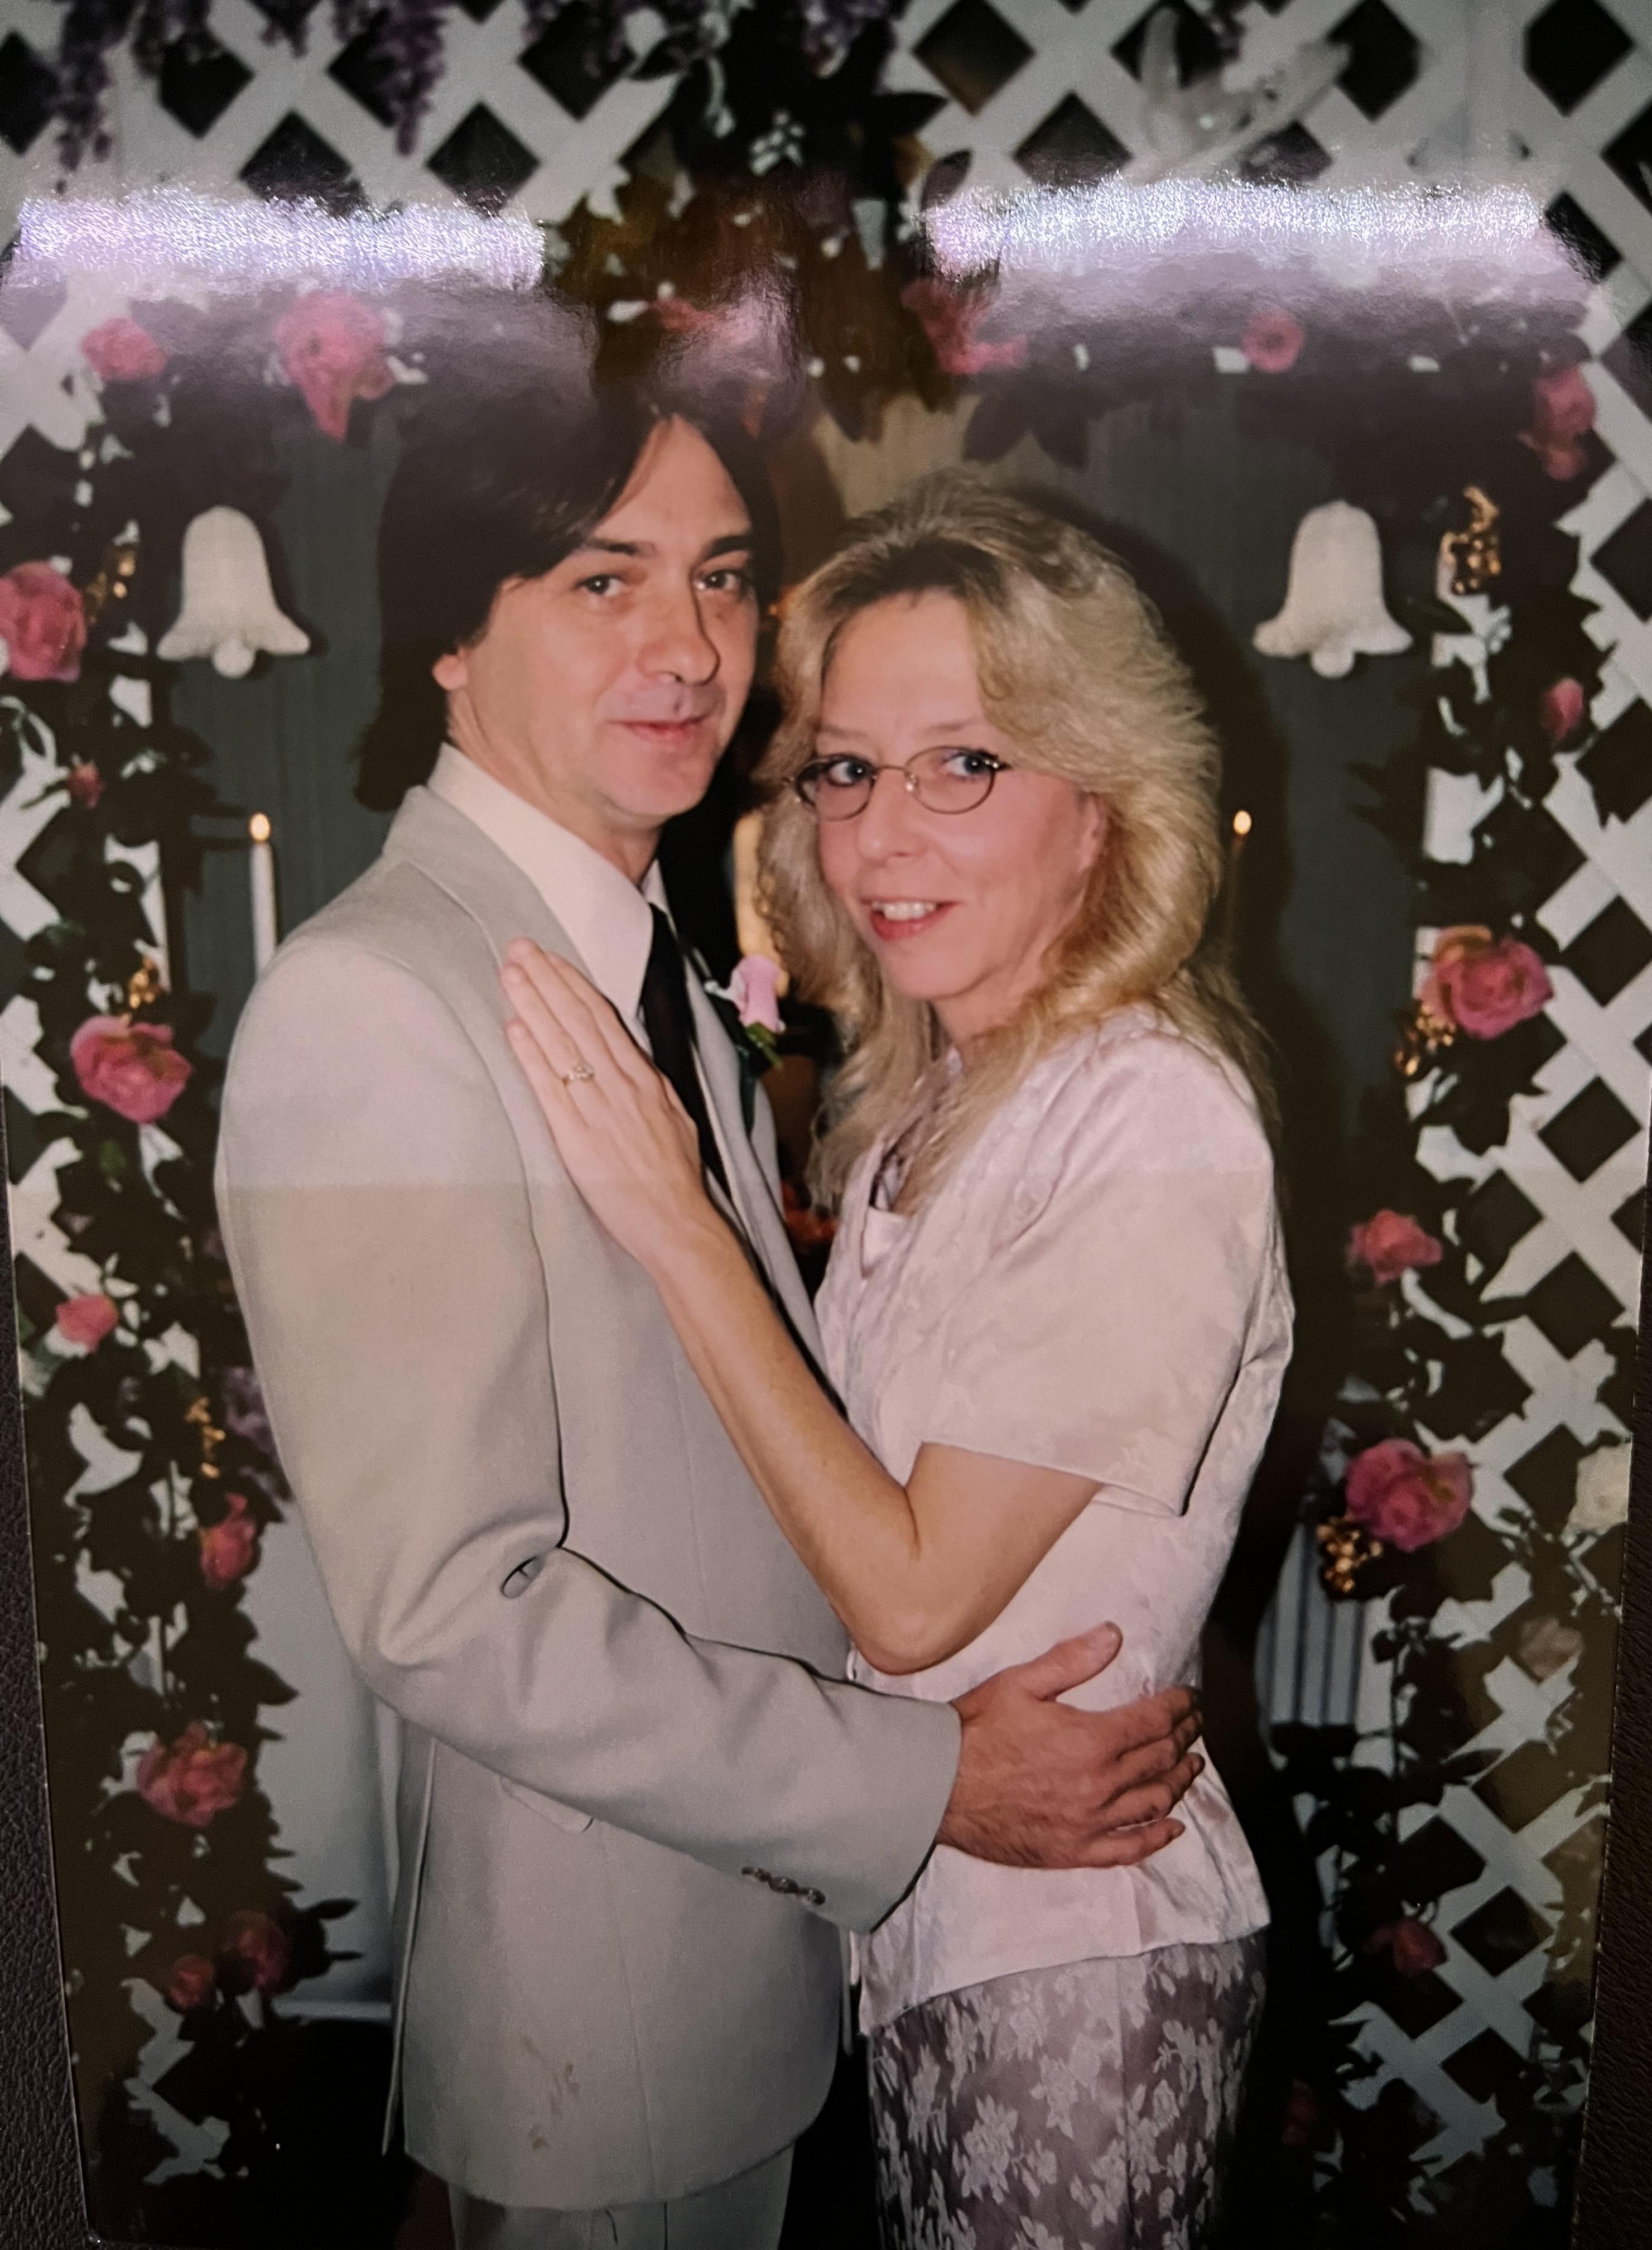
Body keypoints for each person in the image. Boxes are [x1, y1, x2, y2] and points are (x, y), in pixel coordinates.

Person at [213, 359, 1206, 2250]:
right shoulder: (379, 1007)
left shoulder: (648, 958)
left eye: (726, 578)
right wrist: (926, 1782)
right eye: (606, 579)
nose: (689, 648)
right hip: (610, 2023)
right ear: (452, 636)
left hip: (745, 1983)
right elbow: (452, 1613)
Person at [501, 473, 1292, 2248]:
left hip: (1078, 1954)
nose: (882, 838)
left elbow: (917, 1599)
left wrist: (677, 1219)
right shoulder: (929, 1107)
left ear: (1104, 807)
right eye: (848, 770)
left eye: (967, 766)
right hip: (933, 1923)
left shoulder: (1151, 1115)